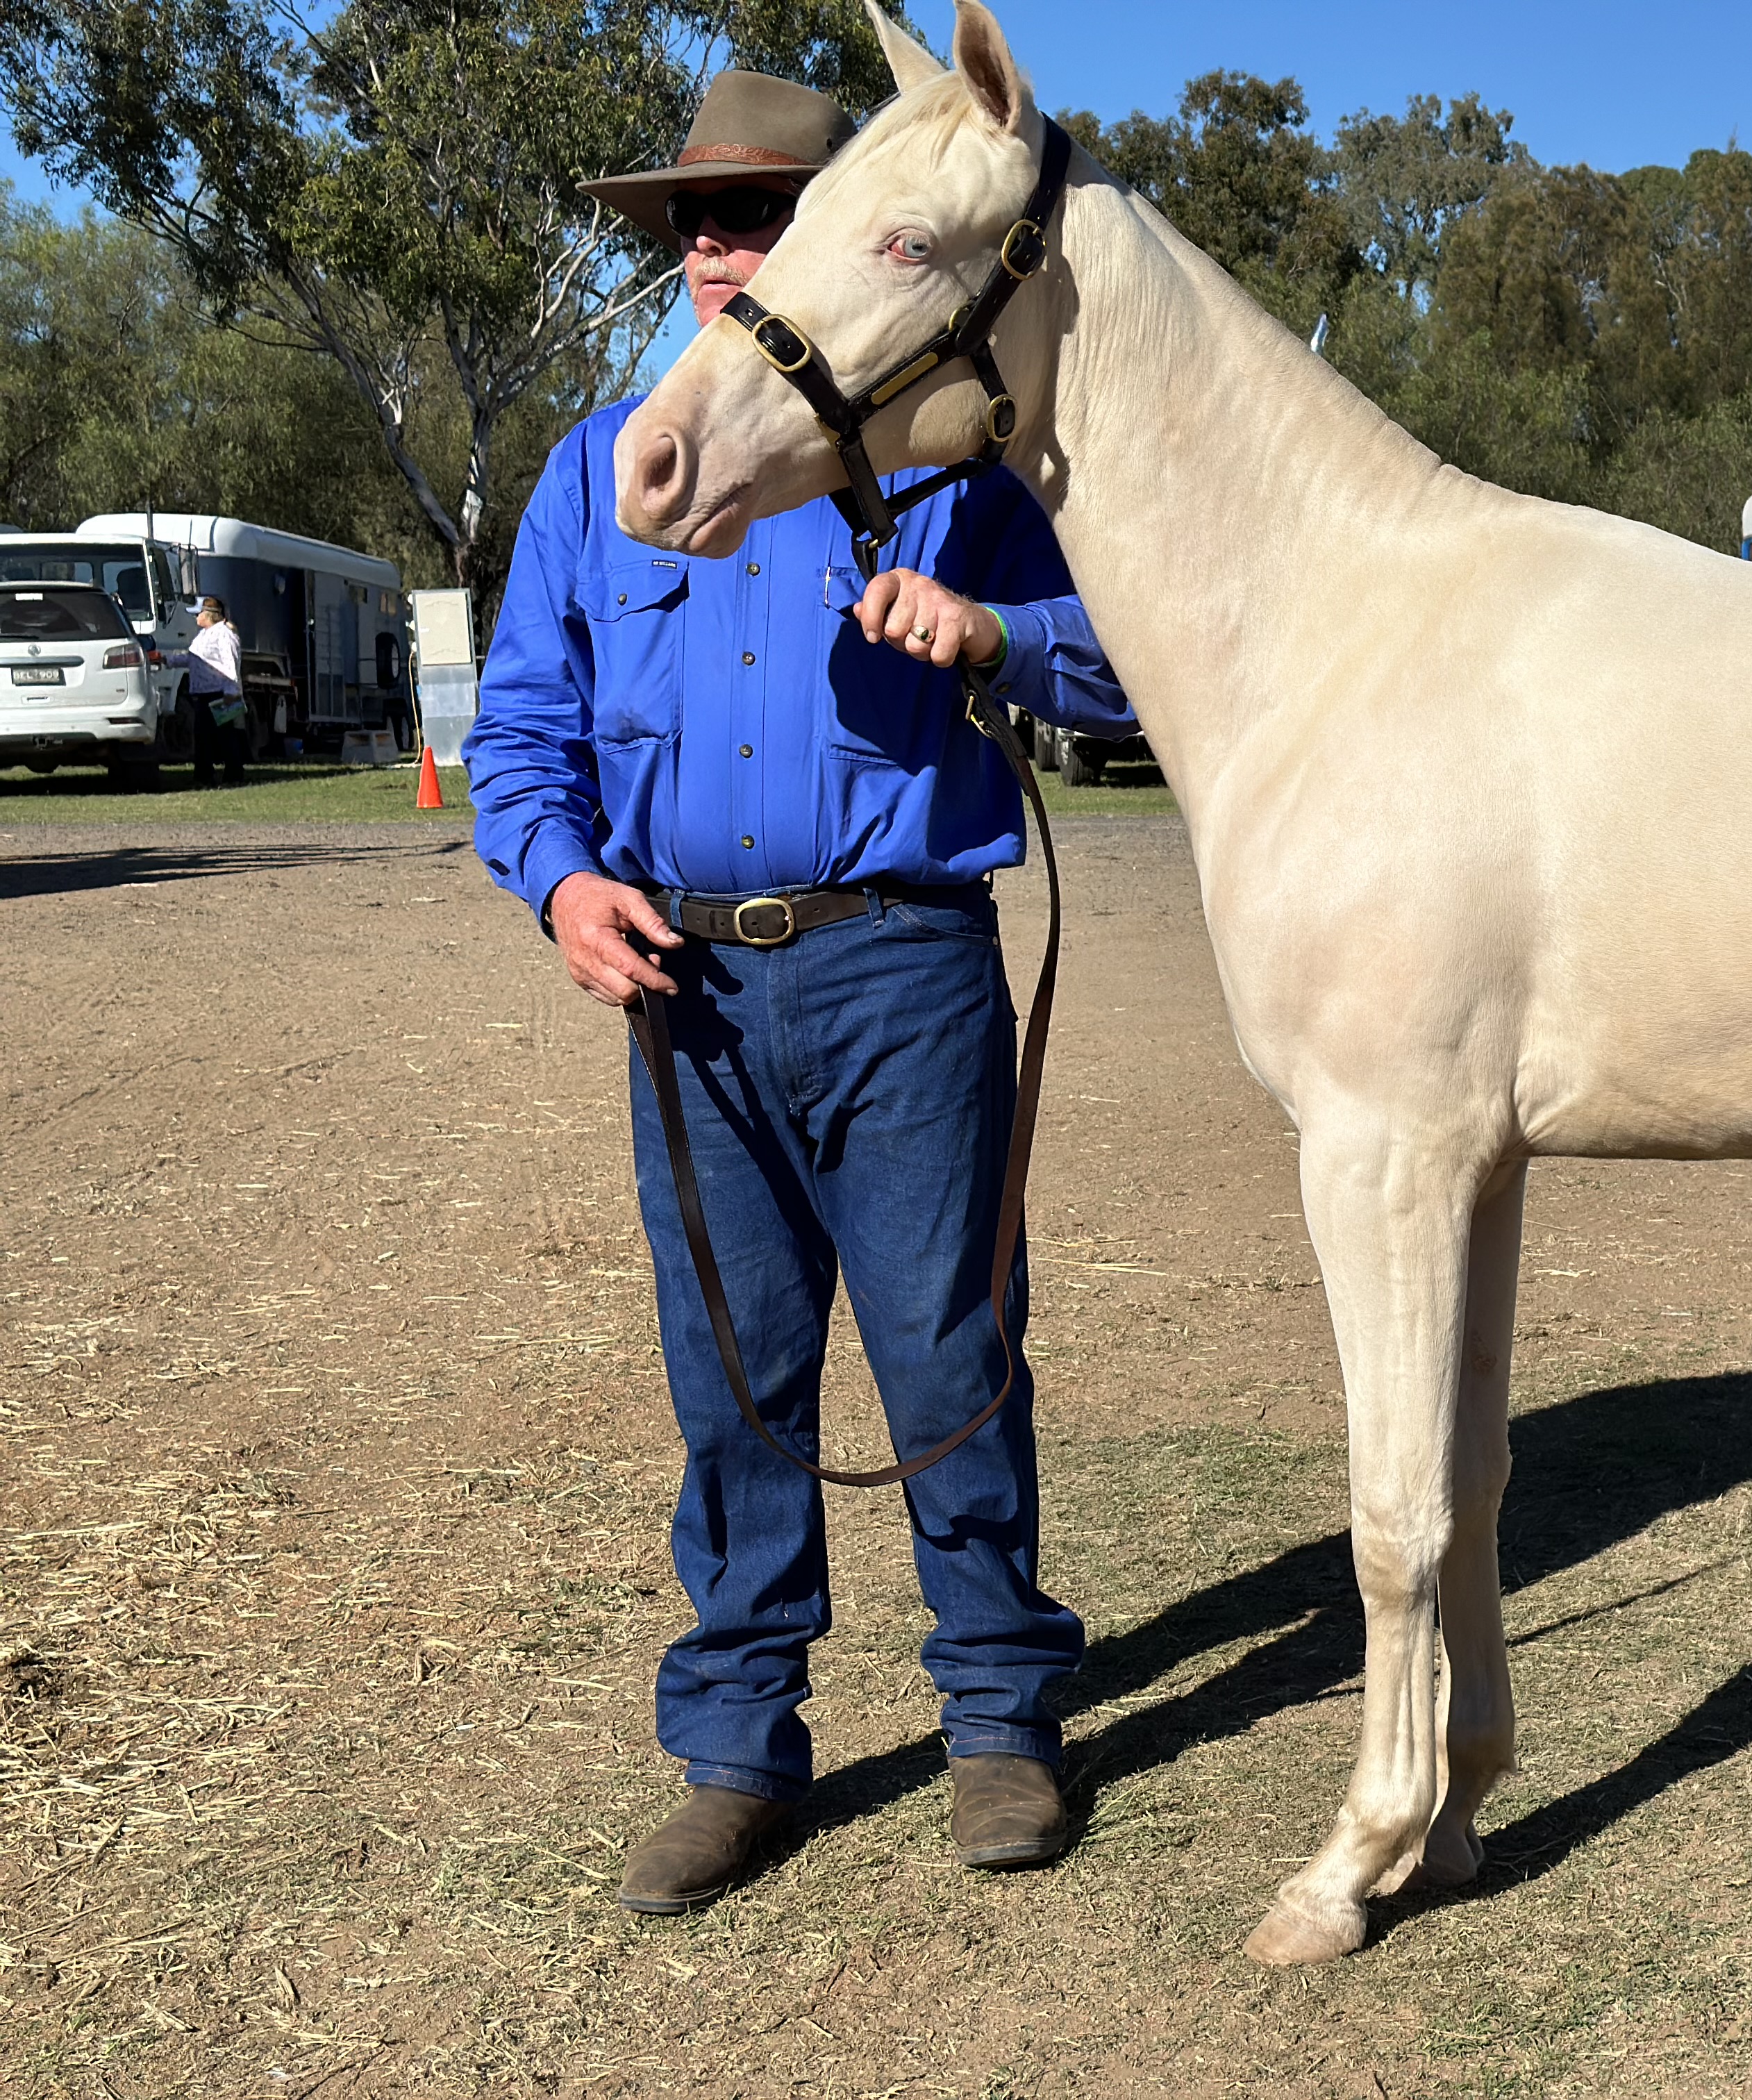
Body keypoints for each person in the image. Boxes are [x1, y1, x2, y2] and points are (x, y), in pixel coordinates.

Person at [463, 72, 1136, 1915]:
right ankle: (738, 1754)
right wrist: (564, 886)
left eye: (756, 212)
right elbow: (520, 739)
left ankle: (1000, 1721)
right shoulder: (600, 474)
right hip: (685, 986)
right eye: (696, 218)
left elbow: (1136, 662)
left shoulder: (954, 462)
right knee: (732, 1383)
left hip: (903, 965)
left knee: (949, 1356)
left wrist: (999, 634)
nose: (718, 245)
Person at [183, 595, 248, 787]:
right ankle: (204, 775)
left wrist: (231, 691)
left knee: (226, 736)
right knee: (203, 737)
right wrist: (168, 661)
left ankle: (234, 774)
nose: (196, 618)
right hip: (203, 694)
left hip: (220, 694)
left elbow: (230, 663)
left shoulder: (224, 635)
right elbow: (195, 660)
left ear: (208, 615)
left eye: (199, 614)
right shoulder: (203, 635)